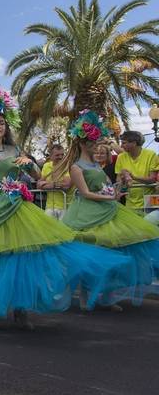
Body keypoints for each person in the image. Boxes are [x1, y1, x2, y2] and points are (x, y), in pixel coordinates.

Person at [0, 87, 130, 331]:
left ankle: (21, 310)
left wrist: (30, 163)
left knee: (22, 259)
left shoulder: (15, 151)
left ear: (6, 126)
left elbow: (35, 176)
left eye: (2, 122)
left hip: (15, 207)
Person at [58, 111, 159, 309]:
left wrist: (121, 182)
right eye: (91, 142)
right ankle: (86, 295)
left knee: (111, 249)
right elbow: (85, 193)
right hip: (85, 214)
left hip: (106, 210)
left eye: (95, 141)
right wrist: (110, 196)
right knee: (90, 253)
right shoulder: (76, 167)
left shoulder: (96, 165)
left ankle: (106, 296)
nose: (95, 145)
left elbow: (109, 187)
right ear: (81, 143)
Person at [115, 131, 158, 213]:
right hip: (130, 201)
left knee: (151, 224)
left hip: (151, 199)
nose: (121, 146)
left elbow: (153, 179)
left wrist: (133, 177)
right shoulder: (120, 157)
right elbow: (118, 180)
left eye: (124, 143)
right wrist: (123, 179)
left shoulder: (151, 154)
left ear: (134, 143)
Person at [38, 144, 72, 220]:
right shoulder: (46, 166)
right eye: (57, 155)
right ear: (51, 156)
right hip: (49, 206)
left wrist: (48, 184)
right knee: (48, 229)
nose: (60, 157)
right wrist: (57, 185)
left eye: (62, 154)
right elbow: (39, 185)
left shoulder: (67, 165)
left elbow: (66, 185)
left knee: (63, 230)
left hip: (64, 206)